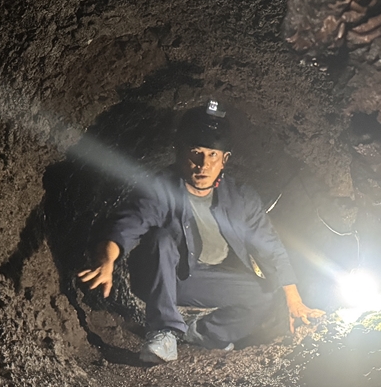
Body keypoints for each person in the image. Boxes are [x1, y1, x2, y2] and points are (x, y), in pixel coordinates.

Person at [77, 101, 323, 363]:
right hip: (162, 276)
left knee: (264, 294)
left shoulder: (242, 199)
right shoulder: (161, 188)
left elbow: (269, 247)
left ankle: (204, 334)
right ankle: (163, 332)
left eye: (213, 155)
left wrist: (294, 300)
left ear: (225, 159)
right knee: (161, 239)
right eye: (195, 152)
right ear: (180, 152)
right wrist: (107, 260)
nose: (203, 164)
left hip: (210, 279)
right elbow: (128, 223)